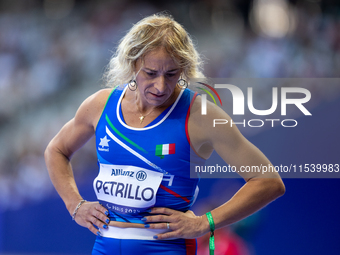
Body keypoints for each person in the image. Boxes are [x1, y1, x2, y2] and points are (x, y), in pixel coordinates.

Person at [44, 13, 285, 255]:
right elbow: (56, 150)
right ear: (133, 62)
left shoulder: (201, 115)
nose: (161, 86)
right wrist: (75, 204)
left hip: (167, 248)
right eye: (150, 73)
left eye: (171, 74)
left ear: (184, 69)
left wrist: (204, 223)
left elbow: (268, 181)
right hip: (105, 246)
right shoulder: (100, 105)